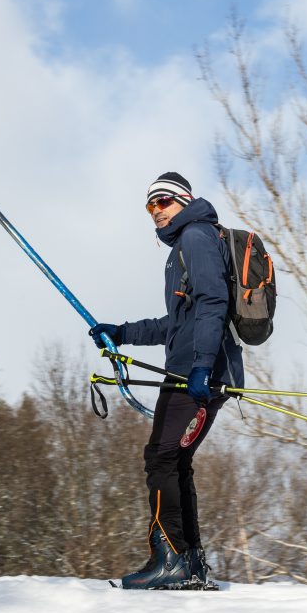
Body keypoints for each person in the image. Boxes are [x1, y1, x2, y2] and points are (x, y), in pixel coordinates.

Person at [89, 171, 244, 590]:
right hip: (197, 368)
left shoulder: (195, 237)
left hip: (196, 374)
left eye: (162, 202)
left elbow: (214, 303)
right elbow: (172, 325)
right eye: (149, 206)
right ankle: (189, 562)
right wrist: (121, 333)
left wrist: (200, 366)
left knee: (161, 458)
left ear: (182, 200)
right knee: (175, 461)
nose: (155, 212)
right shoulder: (183, 250)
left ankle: (171, 559)